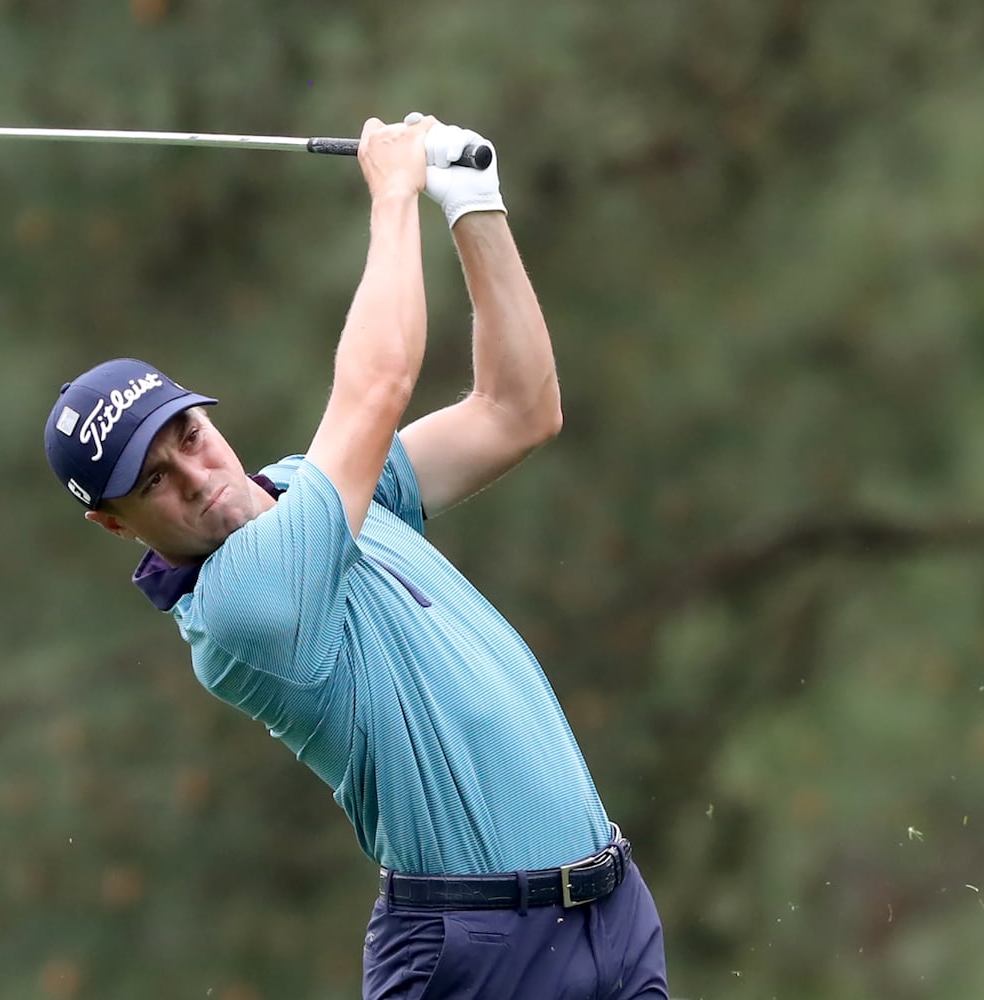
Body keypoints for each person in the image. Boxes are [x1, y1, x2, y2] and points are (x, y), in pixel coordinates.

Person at [43, 113, 668, 999]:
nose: (194, 473)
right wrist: (393, 195)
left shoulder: (312, 487)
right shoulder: (241, 606)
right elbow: (377, 384)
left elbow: (517, 409)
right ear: (115, 524)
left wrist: (472, 203)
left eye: (188, 434)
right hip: (473, 950)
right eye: (151, 481)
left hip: (610, 915)